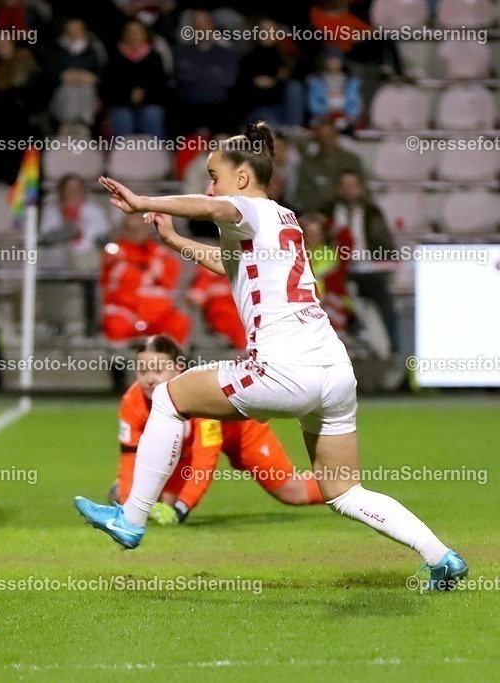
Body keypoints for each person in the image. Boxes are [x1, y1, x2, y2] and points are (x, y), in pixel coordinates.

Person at [75, 122, 467, 591]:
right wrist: (177, 241)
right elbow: (235, 266)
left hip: (284, 367)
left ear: (242, 179)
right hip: (335, 371)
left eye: (214, 174)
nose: (209, 186)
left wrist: (143, 202)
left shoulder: (242, 207)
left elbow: (212, 206)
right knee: (343, 490)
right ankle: (441, 556)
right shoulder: (284, 219)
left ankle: (131, 519)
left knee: (169, 398)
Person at [111, 335, 322, 525]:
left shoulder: (195, 396)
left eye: (158, 370)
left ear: (178, 368)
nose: (149, 379)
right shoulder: (132, 402)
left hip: (243, 434)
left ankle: (343, 486)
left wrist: (183, 506)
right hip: (185, 451)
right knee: (157, 499)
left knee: (293, 493)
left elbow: (205, 460)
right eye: (142, 371)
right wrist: (127, 505)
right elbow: (130, 458)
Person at [321, 172, 398, 352]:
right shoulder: (326, 212)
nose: (349, 190)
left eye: (353, 185)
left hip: (367, 271)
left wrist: (382, 264)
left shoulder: (372, 213)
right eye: (344, 185)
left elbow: (386, 245)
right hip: (334, 271)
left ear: (360, 188)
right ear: (337, 189)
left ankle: (393, 351)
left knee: (385, 302)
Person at [100, 213, 189, 346]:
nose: (137, 229)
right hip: (126, 311)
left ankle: (172, 363)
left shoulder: (160, 252)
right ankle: (120, 364)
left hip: (157, 313)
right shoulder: (114, 252)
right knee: (115, 325)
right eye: (131, 222)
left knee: (179, 322)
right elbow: (116, 280)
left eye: (140, 224)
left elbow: (168, 280)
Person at [102, 19, 170, 139]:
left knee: (152, 115)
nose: (133, 35)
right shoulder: (114, 57)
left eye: (137, 32)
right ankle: (122, 156)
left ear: (145, 35)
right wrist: (128, 95)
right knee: (123, 118)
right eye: (130, 32)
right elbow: (109, 88)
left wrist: (144, 95)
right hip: (121, 104)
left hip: (150, 103)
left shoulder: (154, 57)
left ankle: (156, 155)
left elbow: (161, 87)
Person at [292, 118, 364, 215]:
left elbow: (363, 191)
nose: (326, 140)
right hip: (318, 216)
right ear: (316, 139)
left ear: (336, 136)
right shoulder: (308, 165)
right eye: (322, 137)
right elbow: (303, 197)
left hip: (351, 213)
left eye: (329, 136)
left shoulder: (352, 161)